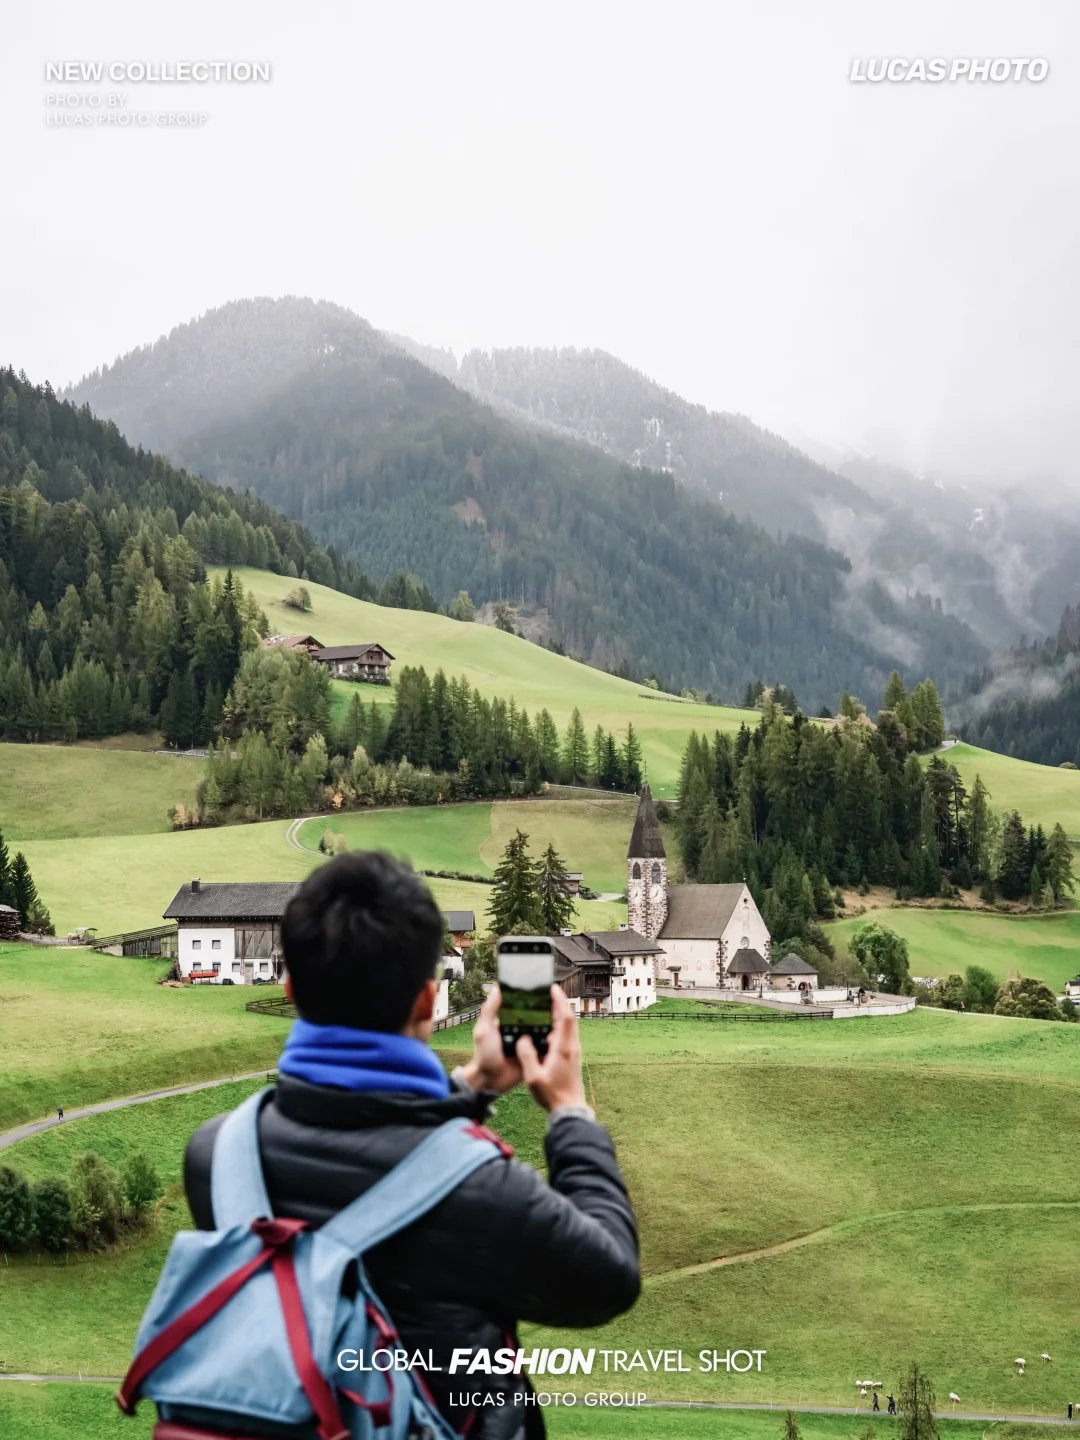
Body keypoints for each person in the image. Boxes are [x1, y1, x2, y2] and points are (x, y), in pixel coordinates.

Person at [184, 851, 640, 1440]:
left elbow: (364, 1141)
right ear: (428, 1001)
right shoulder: (482, 1189)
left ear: (292, 989)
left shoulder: (216, 1158)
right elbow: (610, 1277)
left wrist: (472, 1085)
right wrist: (571, 1111)